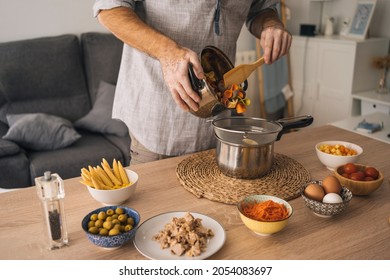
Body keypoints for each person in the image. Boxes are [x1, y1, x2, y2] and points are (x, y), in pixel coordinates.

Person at [93, 0, 292, 165]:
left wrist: (270, 25)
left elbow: (260, 8)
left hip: (219, 123)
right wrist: (167, 52)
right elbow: (109, 9)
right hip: (158, 123)